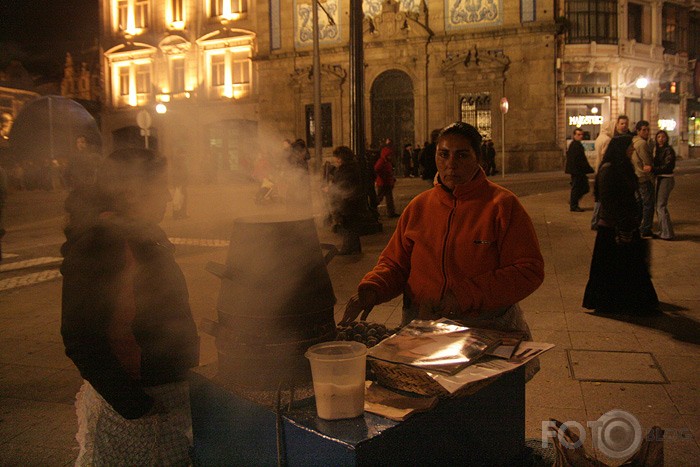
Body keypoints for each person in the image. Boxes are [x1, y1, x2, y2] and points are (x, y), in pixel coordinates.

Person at [342, 122, 544, 378]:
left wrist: (463, 296)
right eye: (443, 154)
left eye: (462, 155)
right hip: (422, 331)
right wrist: (372, 289)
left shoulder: (502, 206)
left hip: (486, 328)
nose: (451, 164)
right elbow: (395, 264)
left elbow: (529, 270)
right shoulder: (419, 207)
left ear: (478, 158)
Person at [60, 148, 200, 465]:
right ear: (131, 190)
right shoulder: (101, 243)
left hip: (163, 391)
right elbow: (80, 337)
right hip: (138, 401)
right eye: (161, 185)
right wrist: (135, 404)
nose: (167, 194)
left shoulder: (145, 232)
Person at [583, 135, 659, 315]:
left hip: (627, 224)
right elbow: (609, 200)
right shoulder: (609, 169)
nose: (632, 149)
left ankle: (630, 301)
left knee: (630, 267)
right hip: (613, 227)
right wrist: (622, 223)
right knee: (614, 267)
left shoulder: (624, 167)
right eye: (629, 146)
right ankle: (611, 301)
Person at [591, 116, 630, 229]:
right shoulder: (607, 140)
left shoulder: (599, 138)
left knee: (599, 198)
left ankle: (595, 221)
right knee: (601, 200)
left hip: (599, 168)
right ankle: (595, 221)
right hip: (604, 170)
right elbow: (606, 155)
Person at [327, 146, 365, 255]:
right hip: (350, 201)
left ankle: (348, 248)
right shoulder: (350, 168)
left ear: (341, 158)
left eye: (337, 158)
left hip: (348, 201)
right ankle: (355, 247)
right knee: (351, 225)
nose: (335, 160)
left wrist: (330, 189)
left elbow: (343, 186)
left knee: (348, 225)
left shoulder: (347, 170)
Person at [631, 120, 655, 238]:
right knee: (648, 204)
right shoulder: (642, 144)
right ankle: (646, 228)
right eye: (644, 130)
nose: (646, 132)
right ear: (638, 131)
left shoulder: (633, 142)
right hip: (644, 177)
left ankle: (638, 225)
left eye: (647, 130)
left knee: (640, 203)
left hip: (636, 176)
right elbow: (648, 162)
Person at [652, 130, 676, 240]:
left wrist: (652, 169)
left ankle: (667, 233)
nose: (661, 139)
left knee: (661, 206)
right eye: (659, 137)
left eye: (663, 137)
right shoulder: (658, 150)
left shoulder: (668, 150)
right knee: (659, 206)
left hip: (666, 178)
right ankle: (664, 230)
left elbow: (668, 166)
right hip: (661, 178)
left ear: (666, 138)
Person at [565, 128, 594, 212]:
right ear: (574, 135)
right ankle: (573, 204)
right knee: (578, 187)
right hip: (577, 171)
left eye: (581, 134)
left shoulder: (577, 144)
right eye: (578, 134)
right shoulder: (575, 145)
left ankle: (573, 202)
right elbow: (578, 160)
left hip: (578, 170)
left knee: (583, 187)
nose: (581, 136)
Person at [374, 138, 399, 218]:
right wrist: (382, 177)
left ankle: (391, 212)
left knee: (389, 198)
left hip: (387, 182)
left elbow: (389, 171)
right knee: (379, 198)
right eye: (389, 155)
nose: (390, 156)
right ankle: (373, 209)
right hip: (382, 183)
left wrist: (392, 178)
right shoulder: (381, 161)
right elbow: (376, 169)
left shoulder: (387, 162)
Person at [171, 149, 189, 219]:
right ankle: (177, 214)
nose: (185, 155)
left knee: (180, 198)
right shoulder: (179, 162)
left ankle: (181, 213)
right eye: (183, 153)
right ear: (180, 154)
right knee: (179, 198)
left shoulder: (180, 161)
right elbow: (178, 173)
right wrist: (178, 183)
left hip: (181, 183)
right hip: (180, 183)